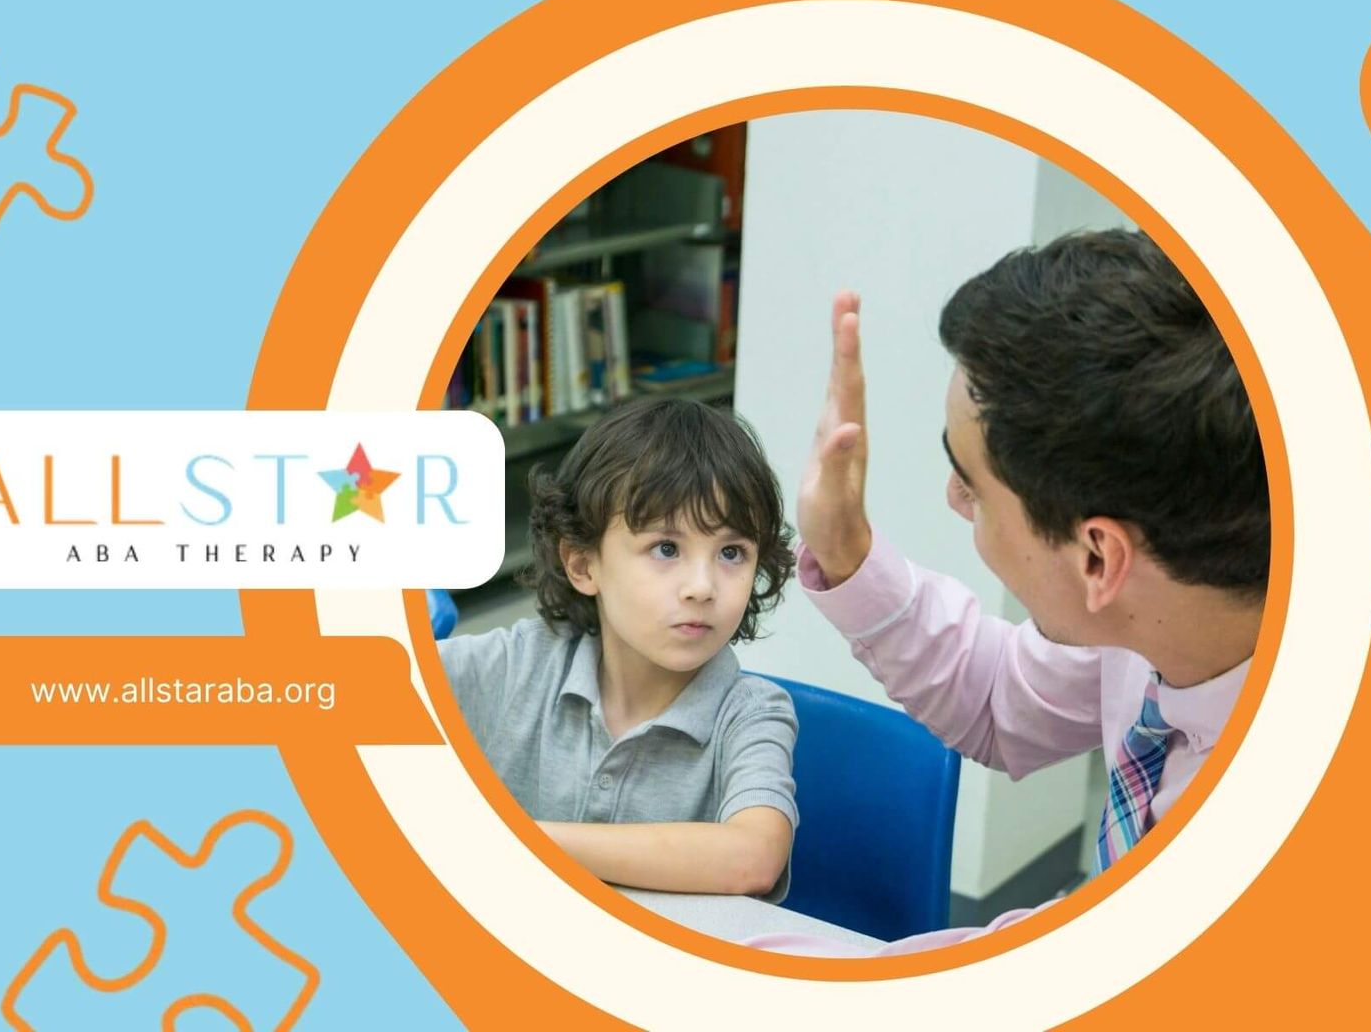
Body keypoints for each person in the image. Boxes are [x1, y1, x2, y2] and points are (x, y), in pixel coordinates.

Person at [765, 228, 1269, 952]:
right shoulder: (1171, 612)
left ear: (1099, 558)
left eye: (971, 482)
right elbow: (1002, 698)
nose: (953, 498)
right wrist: (845, 549)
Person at [437, 397, 801, 900]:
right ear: (584, 565)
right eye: (666, 549)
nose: (702, 586)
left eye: (731, 553)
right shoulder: (525, 661)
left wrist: (511, 837)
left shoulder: (750, 713)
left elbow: (753, 858)